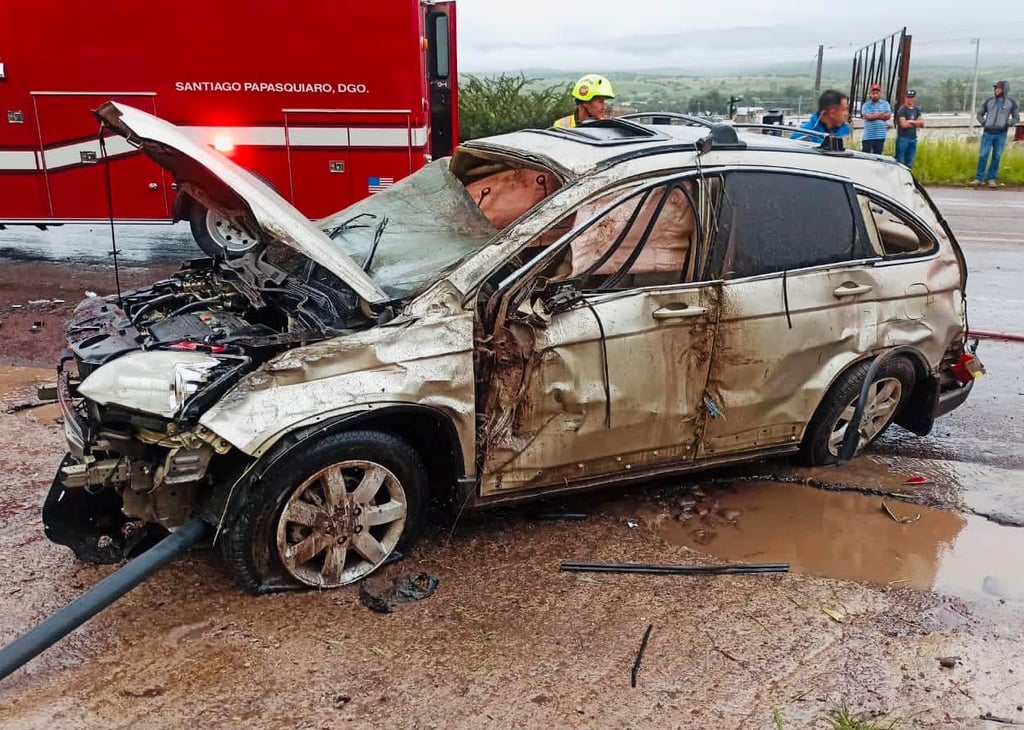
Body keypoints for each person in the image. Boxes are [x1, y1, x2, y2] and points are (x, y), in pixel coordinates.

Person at [972, 81, 1020, 187]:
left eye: (999, 88)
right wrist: (984, 122)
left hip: (1001, 134)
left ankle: (991, 178)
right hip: (988, 133)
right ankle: (978, 178)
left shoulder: (1011, 103)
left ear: (1004, 90)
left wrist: (1008, 123)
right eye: (996, 88)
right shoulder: (989, 101)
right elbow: (980, 113)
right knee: (983, 155)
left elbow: (1016, 118)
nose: (996, 90)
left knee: (997, 156)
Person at [895, 89, 924, 169]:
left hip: (913, 138)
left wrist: (911, 122)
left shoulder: (916, 110)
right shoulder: (902, 109)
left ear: (914, 98)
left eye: (911, 97)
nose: (910, 99)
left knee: (909, 161)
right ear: (905, 98)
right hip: (903, 138)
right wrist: (915, 123)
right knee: (899, 161)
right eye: (908, 97)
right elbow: (903, 124)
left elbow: (922, 124)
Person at [860, 83, 892, 154]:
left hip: (880, 136)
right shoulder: (866, 105)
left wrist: (874, 115)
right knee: (866, 157)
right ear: (870, 94)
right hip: (868, 137)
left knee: (878, 156)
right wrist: (880, 114)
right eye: (873, 93)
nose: (875, 95)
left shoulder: (885, 104)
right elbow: (868, 117)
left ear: (880, 94)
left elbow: (888, 116)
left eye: (877, 93)